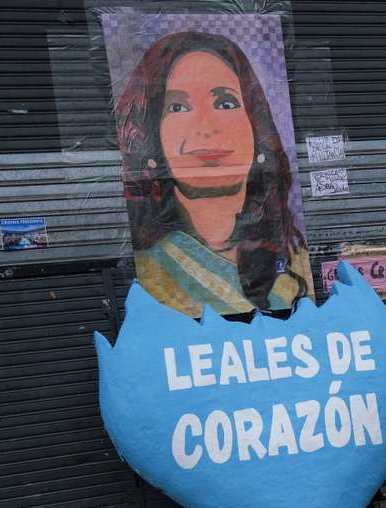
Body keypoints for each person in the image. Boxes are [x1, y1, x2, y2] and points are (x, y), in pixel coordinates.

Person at [114, 31, 311, 317]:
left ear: (256, 127)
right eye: (178, 107)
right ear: (152, 142)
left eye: (225, 103)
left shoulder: (294, 255)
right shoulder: (149, 272)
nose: (205, 126)